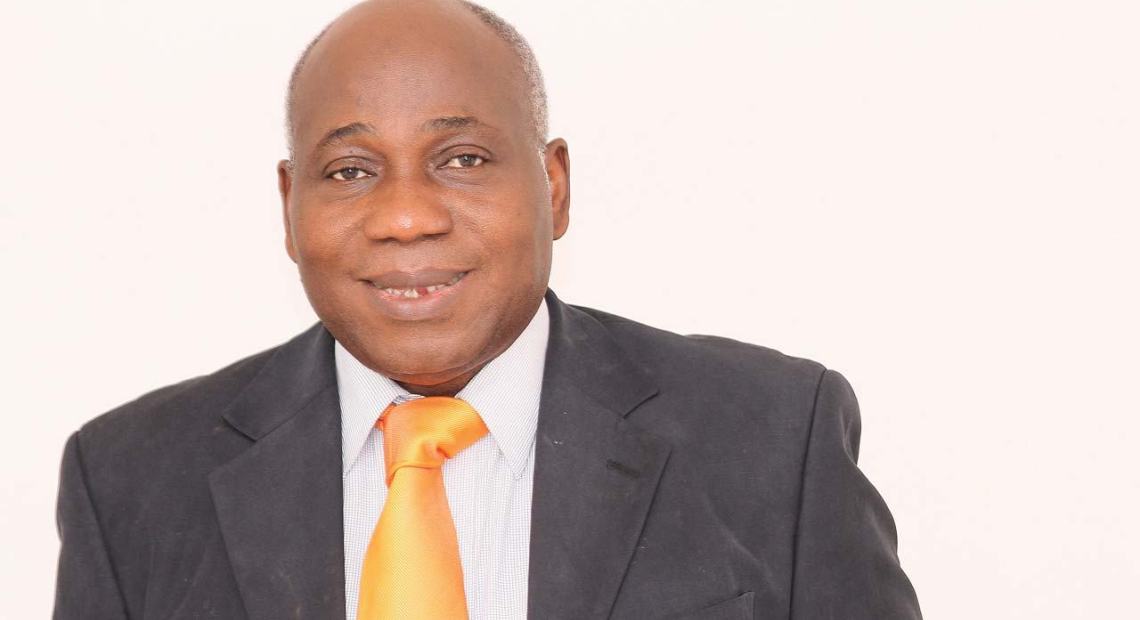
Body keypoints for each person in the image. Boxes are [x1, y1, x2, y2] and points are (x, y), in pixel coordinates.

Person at [52, 0, 922, 618]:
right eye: (350, 171)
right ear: (289, 207)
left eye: (463, 159)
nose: (405, 217)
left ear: (555, 185)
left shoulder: (772, 436)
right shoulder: (130, 480)